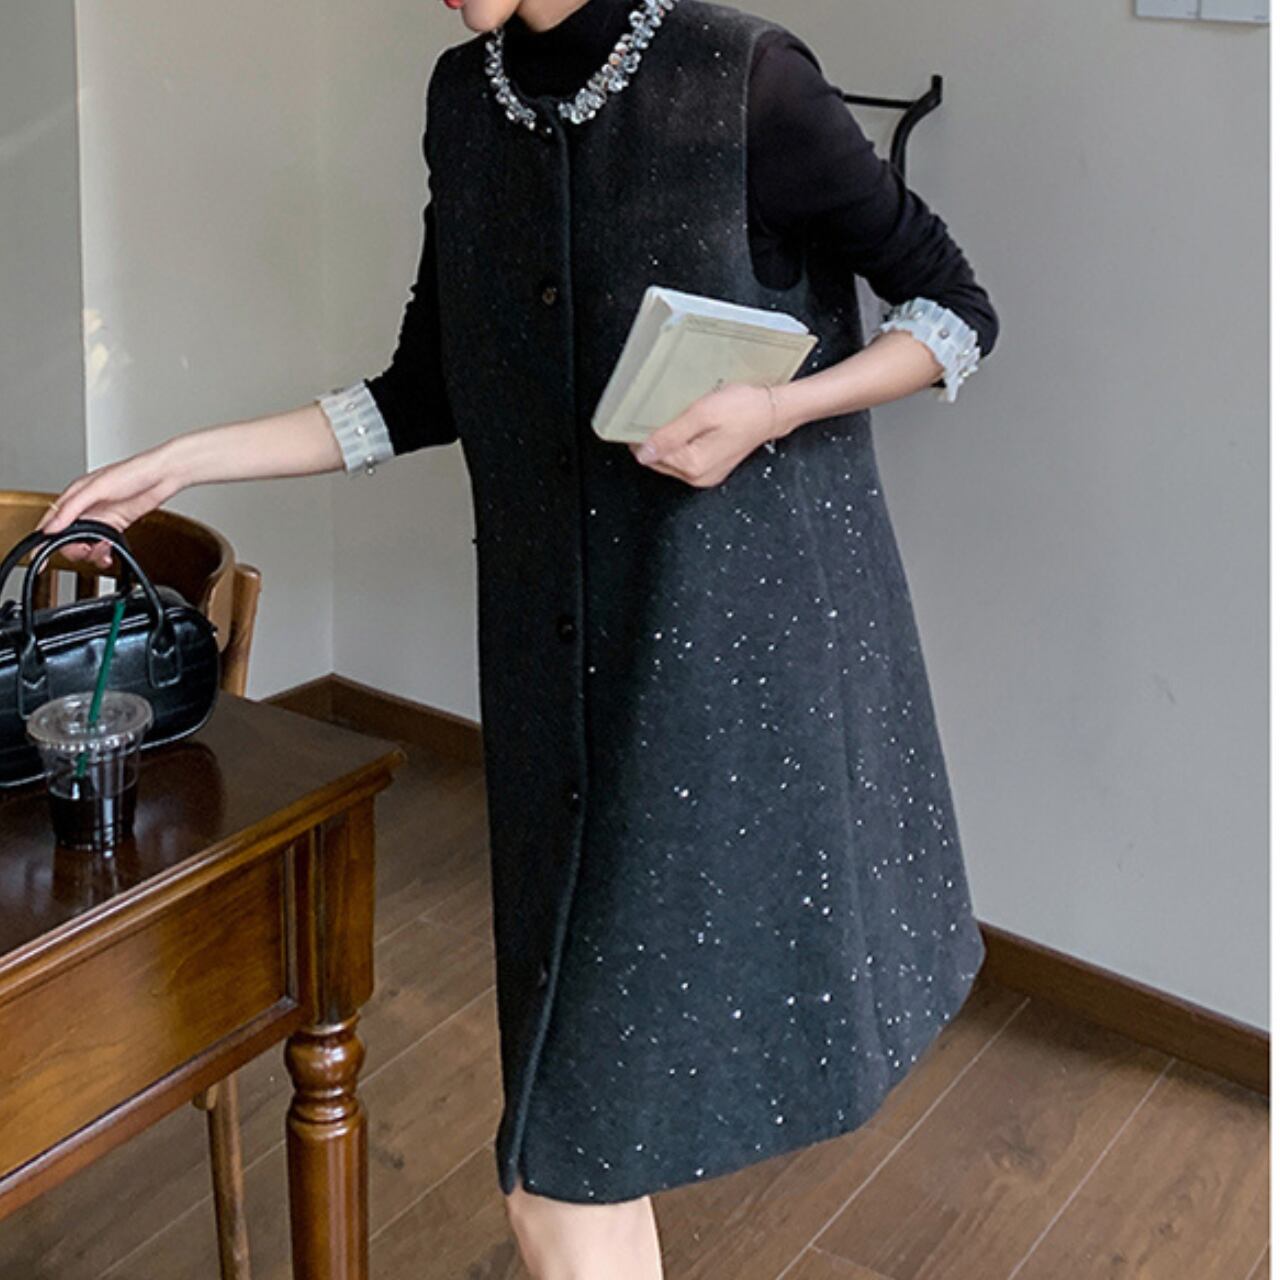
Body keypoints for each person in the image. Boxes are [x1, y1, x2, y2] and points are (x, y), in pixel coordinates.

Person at [37, 1, 998, 1276]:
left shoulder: (743, 77)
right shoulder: (464, 99)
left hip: (727, 683)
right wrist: (179, 461)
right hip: (551, 696)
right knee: (582, 1133)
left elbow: (956, 312)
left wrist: (773, 408)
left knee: (560, 1156)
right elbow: (419, 389)